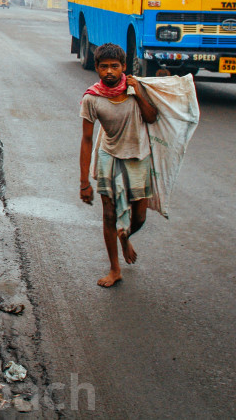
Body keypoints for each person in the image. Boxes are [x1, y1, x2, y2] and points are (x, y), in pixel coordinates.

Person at [79, 43, 159, 288]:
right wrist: (84, 182)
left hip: (138, 157)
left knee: (140, 217)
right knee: (109, 215)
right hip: (109, 157)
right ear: (97, 68)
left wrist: (139, 92)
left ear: (124, 67)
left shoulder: (136, 89)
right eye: (104, 67)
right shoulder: (92, 98)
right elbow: (87, 139)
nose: (109, 72)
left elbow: (152, 117)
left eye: (115, 66)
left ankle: (125, 236)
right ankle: (115, 269)